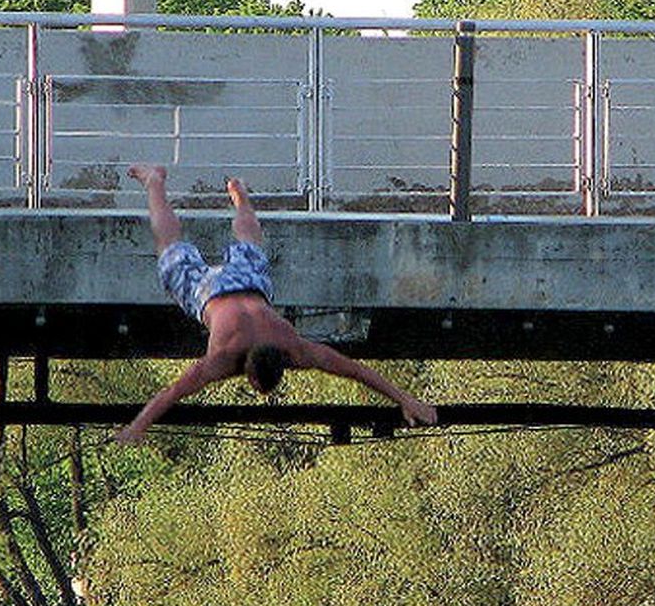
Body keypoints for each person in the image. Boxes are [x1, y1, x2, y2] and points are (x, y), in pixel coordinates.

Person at [115, 164, 438, 443]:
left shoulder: (292, 345)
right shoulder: (226, 359)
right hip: (208, 293)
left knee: (250, 243)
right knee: (169, 246)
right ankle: (154, 180)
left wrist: (406, 399)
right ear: (251, 376)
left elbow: (355, 369)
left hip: (250, 285)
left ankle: (237, 193)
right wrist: (137, 426)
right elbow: (173, 393)